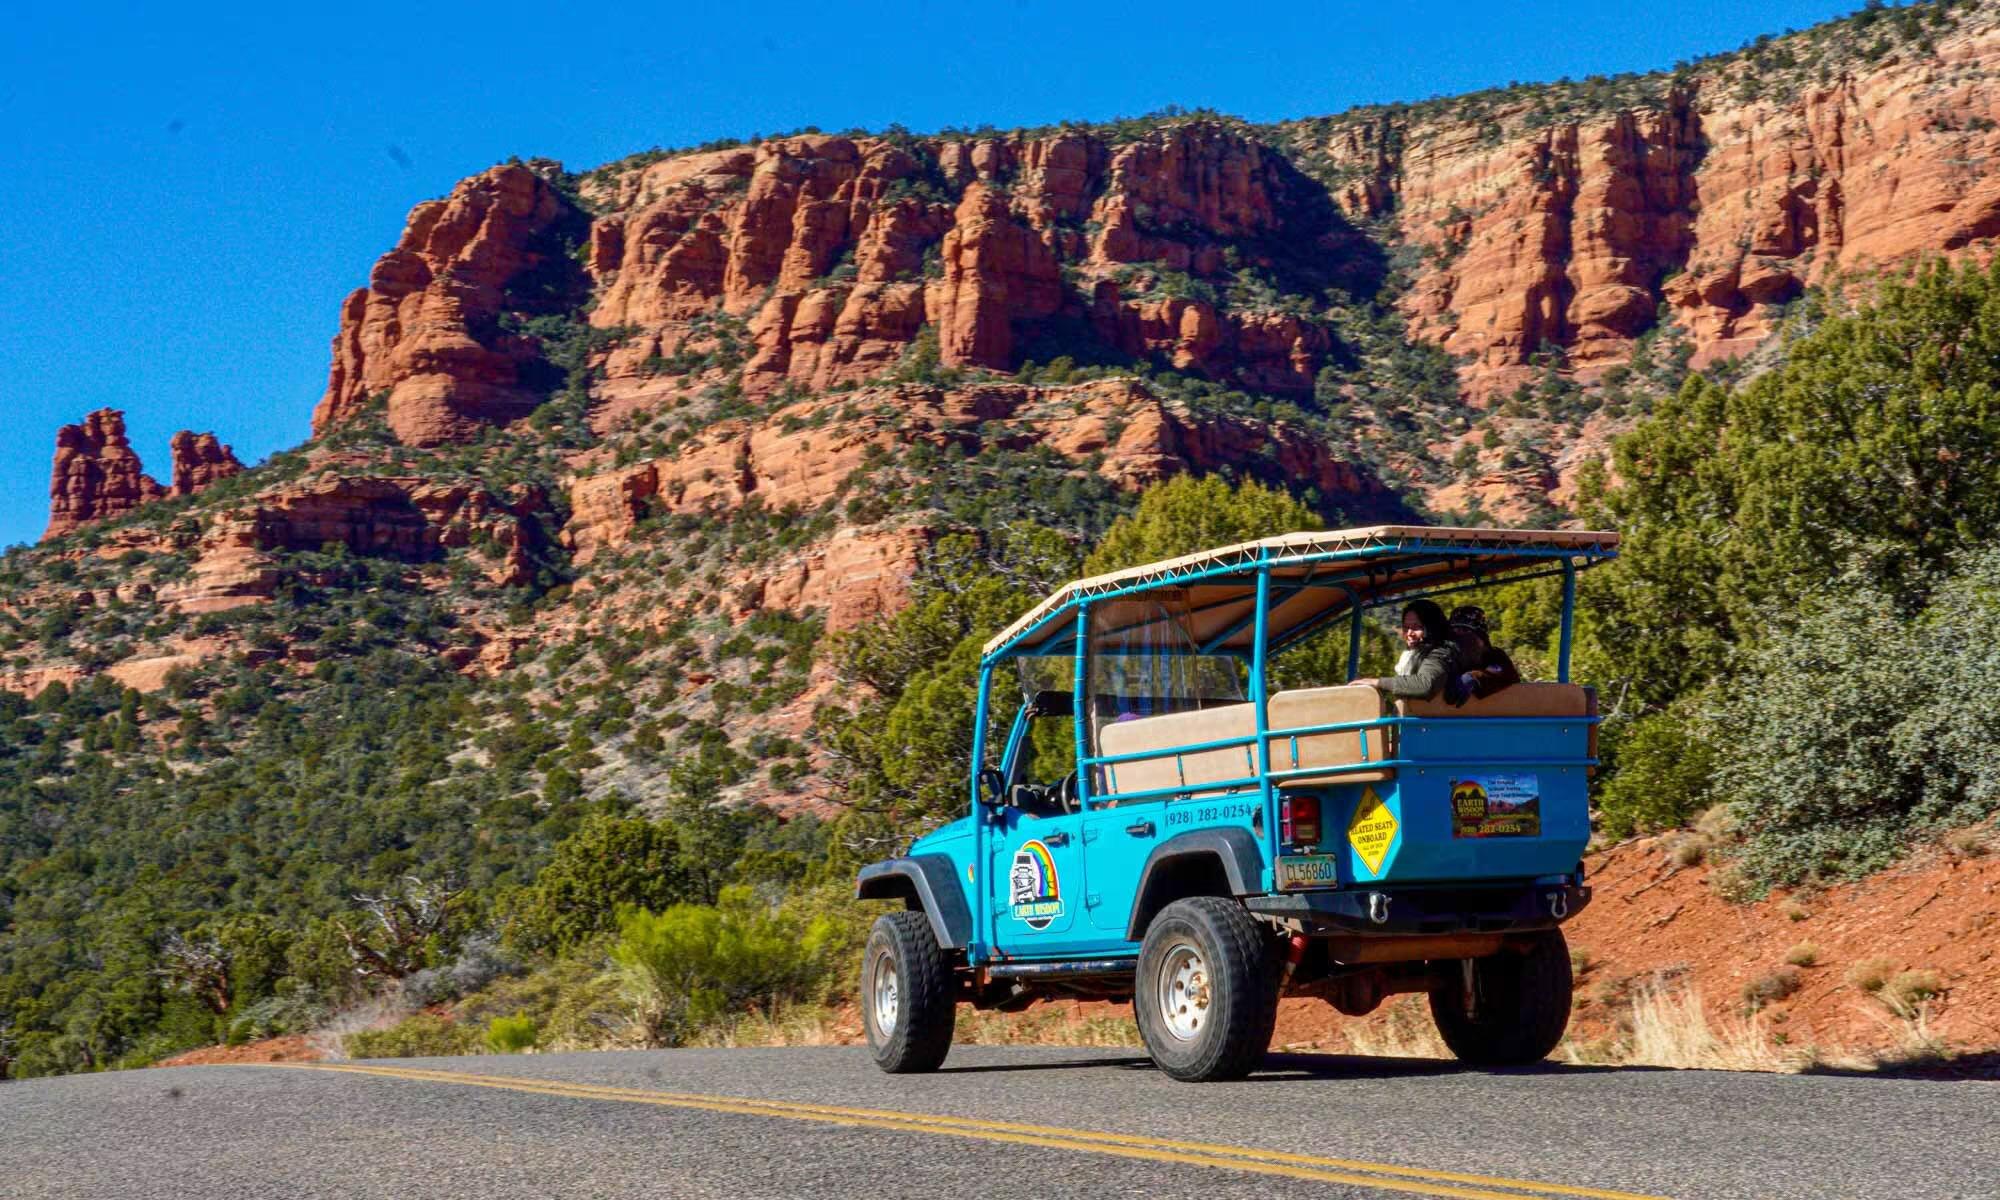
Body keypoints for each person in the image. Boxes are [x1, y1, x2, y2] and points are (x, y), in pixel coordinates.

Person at [1353, 599, 1461, 701]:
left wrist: (1378, 682)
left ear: (1432, 628)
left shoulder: (1440, 653)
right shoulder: (1412, 655)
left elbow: (1425, 684)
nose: (1409, 633)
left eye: (1416, 627)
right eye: (1406, 627)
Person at [1447, 605, 1520, 704]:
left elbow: (1509, 675)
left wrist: (1474, 677)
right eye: (1454, 630)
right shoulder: (1445, 653)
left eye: (1465, 630)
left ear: (1481, 639)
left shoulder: (1494, 655)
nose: (1459, 635)